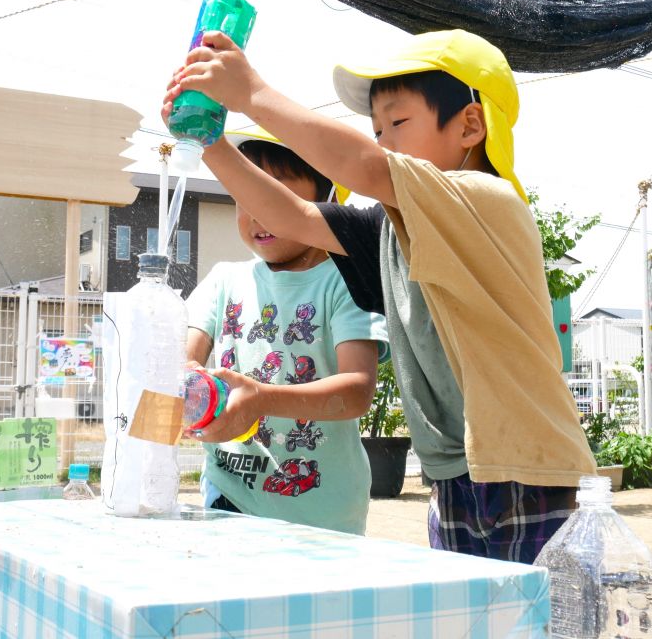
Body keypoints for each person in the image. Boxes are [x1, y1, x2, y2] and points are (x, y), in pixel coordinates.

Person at [164, 28, 596, 563]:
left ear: (469, 125)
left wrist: (250, 91)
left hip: (523, 465)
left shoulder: (488, 201)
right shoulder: (392, 228)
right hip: (452, 472)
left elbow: (365, 168)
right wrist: (210, 140)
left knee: (539, 620)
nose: (383, 141)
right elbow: (291, 217)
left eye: (397, 123)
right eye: (375, 129)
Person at [184, 130, 388, 536]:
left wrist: (262, 399)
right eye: (245, 197)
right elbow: (180, 360)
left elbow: (357, 390)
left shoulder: (346, 281)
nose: (258, 214)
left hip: (319, 514)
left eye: (273, 197)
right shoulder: (224, 280)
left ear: (324, 203)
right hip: (228, 496)